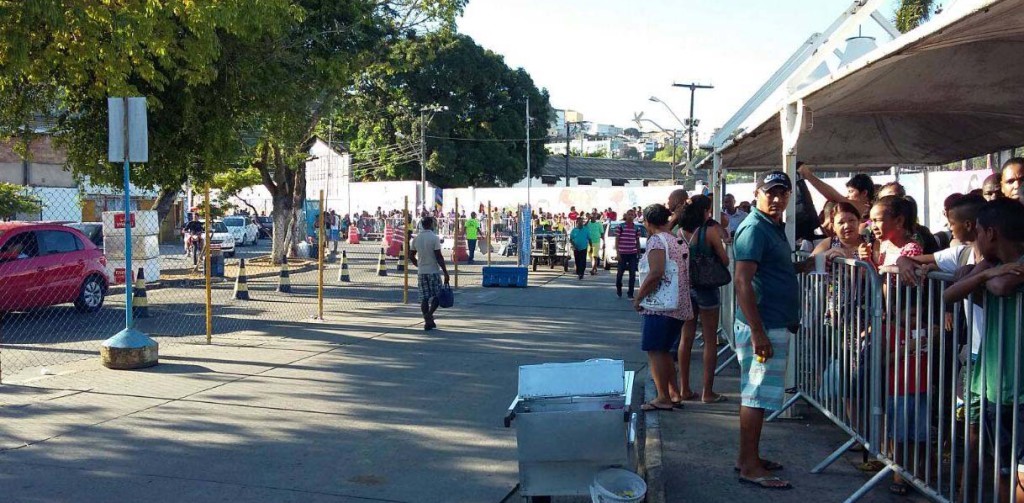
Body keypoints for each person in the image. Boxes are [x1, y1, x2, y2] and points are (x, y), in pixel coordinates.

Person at [733, 171, 812, 490]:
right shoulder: (754, 228)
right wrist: (758, 332)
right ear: (757, 193)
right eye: (771, 192)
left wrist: (799, 268)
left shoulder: (770, 226)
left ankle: (747, 458)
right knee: (755, 396)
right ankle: (750, 466)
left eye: (783, 193)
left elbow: (769, 270)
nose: (777, 198)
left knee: (758, 396)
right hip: (763, 326)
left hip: (769, 324)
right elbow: (742, 281)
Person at [942, 198, 1024, 503]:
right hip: (997, 385)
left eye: (977, 232)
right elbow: (950, 294)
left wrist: (983, 276)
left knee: (1017, 470)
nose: (974, 239)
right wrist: (983, 273)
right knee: (1003, 469)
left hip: (1017, 386)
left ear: (990, 233)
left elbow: (1002, 288)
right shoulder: (995, 267)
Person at [633, 203, 692, 412]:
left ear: (648, 222)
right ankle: (673, 393)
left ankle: (663, 397)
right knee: (665, 350)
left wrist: (639, 296)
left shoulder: (657, 241)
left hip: (661, 305)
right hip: (679, 303)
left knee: (655, 350)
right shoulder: (677, 240)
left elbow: (656, 273)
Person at [676, 195, 730, 403]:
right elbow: (724, 260)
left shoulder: (679, 232)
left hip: (686, 287)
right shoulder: (709, 232)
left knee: (686, 338)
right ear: (705, 211)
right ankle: (707, 391)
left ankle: (684, 389)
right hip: (707, 289)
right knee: (709, 341)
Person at [409, 216, 450, 331]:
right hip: (433, 271)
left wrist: (418, 264)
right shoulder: (434, 238)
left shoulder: (416, 239)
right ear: (431, 224)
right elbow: (438, 256)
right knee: (437, 295)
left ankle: (428, 321)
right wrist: (445, 272)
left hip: (422, 272)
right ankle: (429, 314)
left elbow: (411, 255)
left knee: (424, 298)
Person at [797, 164, 875, 218]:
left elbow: (834, 197)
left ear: (864, 193)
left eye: (851, 192)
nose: (848, 195)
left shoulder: (865, 208)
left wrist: (808, 175)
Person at [614, 209, 641, 298]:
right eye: (629, 214)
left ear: (634, 216)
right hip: (622, 253)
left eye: (632, 214)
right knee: (620, 273)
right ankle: (619, 287)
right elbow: (617, 240)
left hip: (632, 253)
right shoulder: (620, 226)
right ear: (626, 215)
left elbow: (637, 241)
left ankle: (630, 293)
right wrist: (617, 253)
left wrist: (638, 252)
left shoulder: (637, 228)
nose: (630, 216)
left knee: (632, 273)